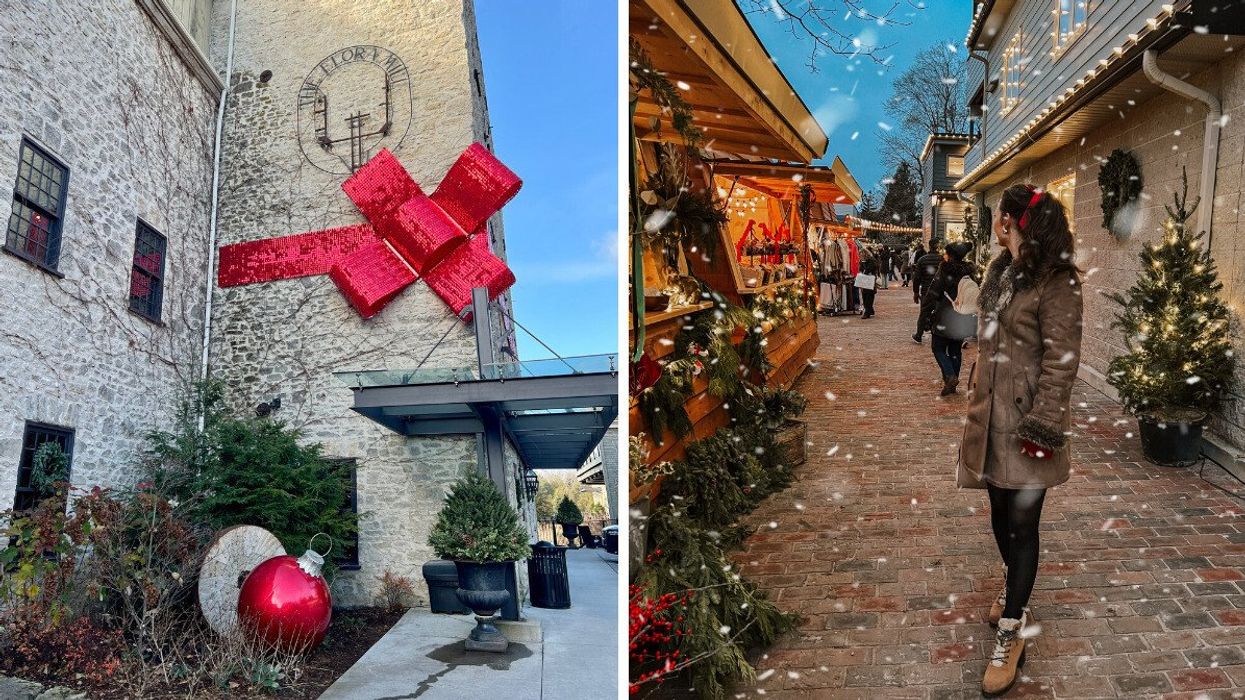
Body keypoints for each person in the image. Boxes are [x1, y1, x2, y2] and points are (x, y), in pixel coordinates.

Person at [957, 184, 1083, 698]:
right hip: (989, 417)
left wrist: (1044, 426)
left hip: (1028, 423)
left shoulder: (1058, 282)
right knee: (997, 514)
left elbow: (1062, 360)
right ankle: (1016, 590)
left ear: (1011, 220)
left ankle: (1012, 629)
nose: (991, 221)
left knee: (1023, 523)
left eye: (998, 215)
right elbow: (988, 338)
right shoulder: (1002, 273)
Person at [917, 241, 976, 396]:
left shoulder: (944, 270)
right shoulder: (969, 272)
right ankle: (952, 382)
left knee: (938, 348)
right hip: (962, 316)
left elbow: (933, 294)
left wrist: (924, 313)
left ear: (950, 255)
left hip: (944, 317)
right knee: (955, 350)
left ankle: (950, 376)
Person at [911, 240, 943, 342]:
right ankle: (939, 335)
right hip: (940, 292)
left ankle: (919, 335)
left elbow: (917, 278)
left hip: (927, 291)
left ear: (929, 247)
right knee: (941, 313)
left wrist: (915, 292)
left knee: (924, 313)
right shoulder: (943, 260)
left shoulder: (922, 260)